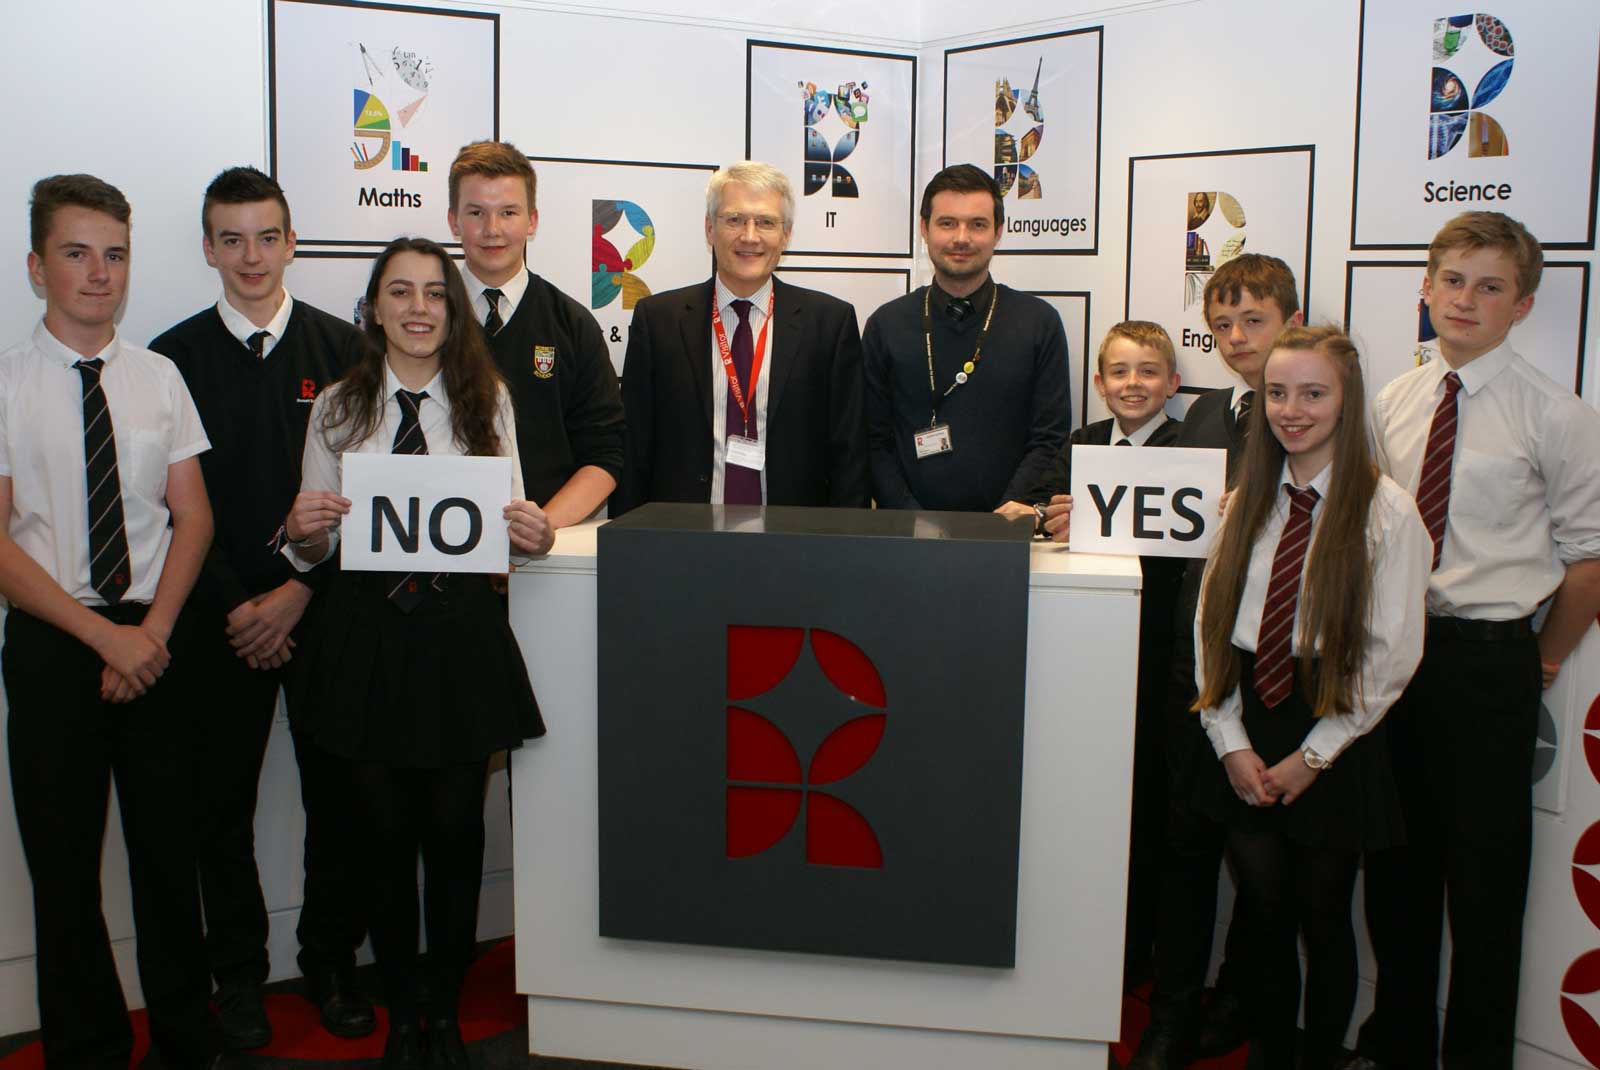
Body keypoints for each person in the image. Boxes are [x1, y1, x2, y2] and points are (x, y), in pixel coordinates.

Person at [281, 236, 554, 1069]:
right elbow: (313, 550)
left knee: (457, 831)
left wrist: (532, 533)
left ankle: (442, 1003)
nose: (418, 309)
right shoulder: (336, 407)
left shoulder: (487, 401)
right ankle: (403, 1003)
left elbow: (506, 527)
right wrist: (300, 537)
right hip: (366, 641)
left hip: (456, 639)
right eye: (399, 293)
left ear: (453, 308)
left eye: (434, 293)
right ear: (373, 309)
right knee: (383, 835)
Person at [1355, 211, 1600, 1070]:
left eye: (1490, 286)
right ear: (1425, 289)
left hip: (1491, 662)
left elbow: (1587, 562)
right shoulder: (1395, 399)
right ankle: (1399, 1049)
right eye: (1453, 282)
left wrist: (1540, 660)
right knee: (1396, 879)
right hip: (1395, 659)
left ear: (1522, 305)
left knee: (1486, 890)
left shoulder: (1558, 415)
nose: (1466, 300)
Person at [148, 165, 375, 1046]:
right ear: (208, 248)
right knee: (218, 812)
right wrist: (242, 607)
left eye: (266, 236)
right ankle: (237, 976)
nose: (250, 256)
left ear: (292, 242)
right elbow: (164, 508)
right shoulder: (169, 360)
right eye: (231, 238)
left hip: (324, 613)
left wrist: (296, 595)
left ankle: (328, 961)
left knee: (343, 801)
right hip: (217, 625)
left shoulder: (348, 353)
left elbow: (370, 494)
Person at [0, 174, 221, 1068]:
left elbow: (193, 517)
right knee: (64, 869)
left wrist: (154, 634)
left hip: (156, 636)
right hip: (57, 641)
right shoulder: (7, 386)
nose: (100, 273)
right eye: (77, 253)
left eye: (116, 255)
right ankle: (86, 1046)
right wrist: (106, 639)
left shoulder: (160, 378)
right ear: (36, 266)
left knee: (170, 856)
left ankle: (186, 1035)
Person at [1192, 326, 1428, 1070]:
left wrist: (1314, 756)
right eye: (1278, 393)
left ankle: (1319, 1055)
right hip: (1248, 723)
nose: (1292, 410)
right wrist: (1229, 740)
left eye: (1313, 393)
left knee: (1324, 922)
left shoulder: (1386, 512)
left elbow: (1392, 654)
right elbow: (1211, 624)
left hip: (1331, 728)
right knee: (1263, 915)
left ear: (1346, 400)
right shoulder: (1244, 502)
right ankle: (1269, 1052)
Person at [1124, 253, 1304, 1070]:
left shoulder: (1308, 417)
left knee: (1265, 867)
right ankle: (1171, 1013)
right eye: (1222, 325)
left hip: (1267, 675)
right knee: (1183, 847)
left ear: (1291, 324)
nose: (1235, 339)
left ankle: (1241, 1001)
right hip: (1188, 670)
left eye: (1253, 323)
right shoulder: (1200, 419)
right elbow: (1161, 533)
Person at [1037, 320, 1182, 988]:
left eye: (1148, 371)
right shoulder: (1083, 445)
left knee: (1148, 802)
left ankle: (1138, 960)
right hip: (1090, 647)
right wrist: (1053, 519)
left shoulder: (1193, 452)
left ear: (1172, 384)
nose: (1132, 384)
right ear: (1099, 384)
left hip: (1161, 653)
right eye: (1119, 372)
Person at [611, 160, 868, 515]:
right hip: (683, 539)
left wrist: (844, 548)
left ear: (786, 234)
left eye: (765, 222)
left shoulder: (830, 324)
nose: (750, 236)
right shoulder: (658, 321)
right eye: (734, 220)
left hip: (794, 543)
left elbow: (849, 454)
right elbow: (634, 446)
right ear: (709, 229)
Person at [863, 163, 1069, 521]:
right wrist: (912, 519)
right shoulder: (886, 324)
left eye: (977, 224)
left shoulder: (1039, 323)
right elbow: (872, 441)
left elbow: (1048, 438)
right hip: (907, 537)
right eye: (947, 223)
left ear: (998, 232)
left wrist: (999, 521)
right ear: (924, 229)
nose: (962, 237)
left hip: (1007, 533)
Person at [446, 140, 625, 526]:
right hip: (436, 554)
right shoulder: (424, 322)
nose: (492, 229)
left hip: (544, 558)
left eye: (508, 212)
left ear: (532, 220)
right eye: (476, 212)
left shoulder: (573, 325)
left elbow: (605, 454)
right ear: (453, 221)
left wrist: (538, 528)